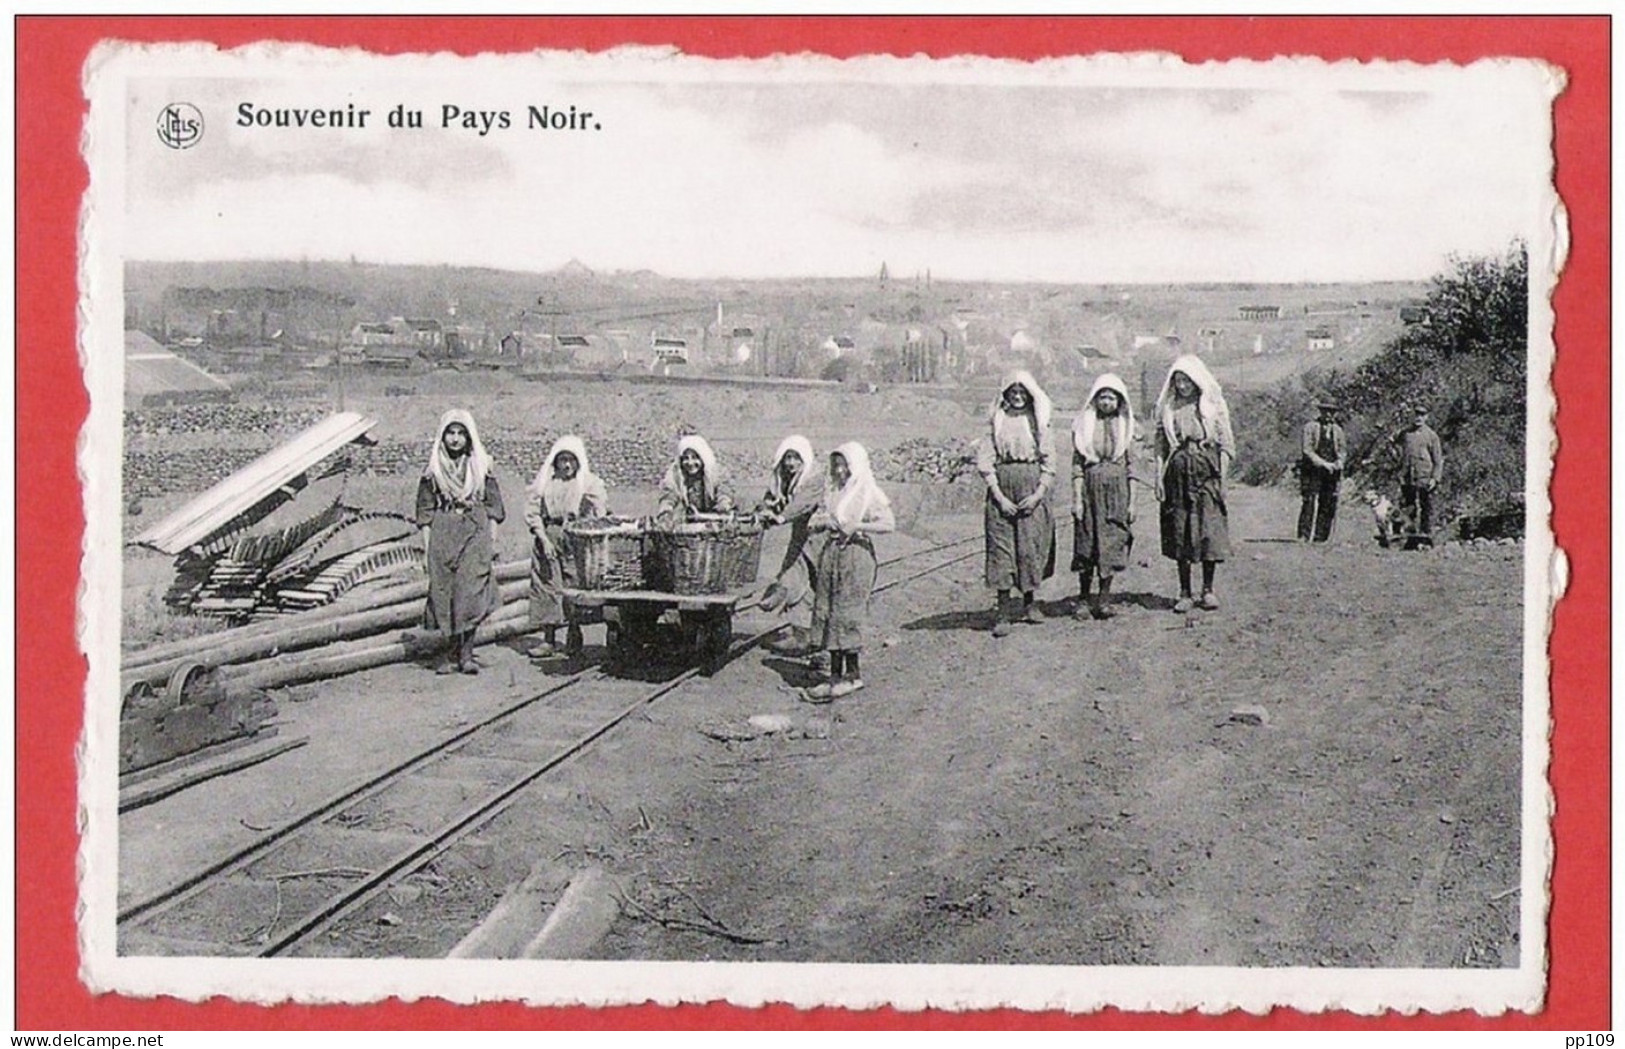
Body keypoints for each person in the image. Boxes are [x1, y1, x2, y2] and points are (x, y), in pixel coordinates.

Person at [415, 409, 505, 674]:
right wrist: (426, 548)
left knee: (470, 591)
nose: (455, 439)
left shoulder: (482, 466)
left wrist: (493, 542)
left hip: (475, 532)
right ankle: (449, 651)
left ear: (469, 437)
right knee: (444, 593)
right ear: (442, 437)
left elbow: (494, 507)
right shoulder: (432, 471)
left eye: (460, 434)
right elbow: (425, 514)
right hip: (443, 533)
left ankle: (466, 653)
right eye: (450, 434)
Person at [805, 443, 896, 701]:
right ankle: (834, 676)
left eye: (844, 465)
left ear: (855, 466)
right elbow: (832, 518)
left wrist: (858, 525)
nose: (840, 470)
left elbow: (889, 524)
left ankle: (853, 675)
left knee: (848, 613)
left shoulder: (868, 492)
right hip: (832, 552)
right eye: (836, 465)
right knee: (829, 609)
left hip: (856, 555)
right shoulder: (835, 491)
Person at [977, 369, 1057, 637]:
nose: (1018, 397)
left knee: (1029, 545)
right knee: (1002, 549)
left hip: (1031, 484)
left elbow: (1050, 463)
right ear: (1006, 396)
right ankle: (1002, 610)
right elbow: (986, 461)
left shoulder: (1039, 422)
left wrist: (1037, 495)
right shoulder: (996, 421)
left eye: (1023, 393)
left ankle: (1030, 603)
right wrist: (999, 496)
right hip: (1003, 486)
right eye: (1013, 393)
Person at [1154, 355, 1234, 613]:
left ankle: (1208, 590)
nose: (1183, 386)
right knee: (1181, 530)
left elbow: (1225, 444)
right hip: (1177, 472)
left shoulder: (1212, 405)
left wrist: (1222, 478)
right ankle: (1185, 592)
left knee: (1208, 530)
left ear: (1196, 381)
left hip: (1206, 469)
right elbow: (1160, 447)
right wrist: (1158, 477)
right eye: (1178, 381)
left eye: (1187, 381)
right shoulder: (1168, 408)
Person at [524, 435, 609, 659]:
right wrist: (543, 539)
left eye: (572, 460)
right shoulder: (545, 483)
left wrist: (593, 515)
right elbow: (533, 513)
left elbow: (600, 507)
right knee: (546, 584)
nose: (567, 465)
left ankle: (574, 632)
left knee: (573, 583)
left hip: (575, 535)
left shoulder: (587, 483)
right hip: (549, 532)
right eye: (563, 460)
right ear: (555, 462)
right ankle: (548, 639)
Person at [1070, 373, 1136, 621]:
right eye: (1102, 397)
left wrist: (1132, 502)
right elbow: (1076, 467)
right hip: (1090, 487)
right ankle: (1084, 599)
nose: (1107, 402)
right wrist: (1077, 499)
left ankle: (1105, 599)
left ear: (1119, 401)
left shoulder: (1127, 428)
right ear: (1095, 399)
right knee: (1086, 543)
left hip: (1117, 491)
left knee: (1111, 542)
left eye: (1111, 398)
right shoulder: (1083, 426)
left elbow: (1132, 470)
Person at [754, 435, 825, 656]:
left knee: (820, 584)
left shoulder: (815, 477)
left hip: (821, 538)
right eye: (787, 458)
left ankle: (820, 640)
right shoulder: (785, 478)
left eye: (796, 458)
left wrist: (782, 517)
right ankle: (803, 636)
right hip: (801, 536)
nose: (791, 463)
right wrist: (764, 510)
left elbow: (803, 504)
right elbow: (771, 497)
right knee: (795, 582)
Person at [653, 434, 735, 526]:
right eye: (686, 458)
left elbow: (724, 491)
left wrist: (723, 506)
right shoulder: (676, 474)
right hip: (690, 520)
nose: (690, 463)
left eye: (695, 458)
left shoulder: (716, 472)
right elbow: (669, 494)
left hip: (715, 517)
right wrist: (666, 511)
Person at [1391, 403, 1444, 548]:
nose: (1418, 418)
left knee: (1427, 509)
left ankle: (1427, 539)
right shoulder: (1405, 433)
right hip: (1408, 477)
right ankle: (1411, 540)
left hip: (1425, 478)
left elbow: (1438, 460)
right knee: (1409, 508)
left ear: (1426, 417)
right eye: (1416, 415)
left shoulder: (1431, 436)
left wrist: (1435, 478)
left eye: (1421, 415)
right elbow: (1395, 447)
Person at [1297, 399, 1347, 543]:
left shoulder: (1338, 430)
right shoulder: (1310, 427)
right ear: (1321, 412)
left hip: (1331, 472)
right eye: (1326, 411)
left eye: (1332, 412)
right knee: (1309, 501)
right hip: (1312, 470)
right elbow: (1307, 450)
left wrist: (1339, 462)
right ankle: (1304, 535)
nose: (1329, 415)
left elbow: (1342, 450)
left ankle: (1321, 536)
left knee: (1328, 502)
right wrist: (1323, 464)